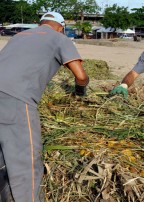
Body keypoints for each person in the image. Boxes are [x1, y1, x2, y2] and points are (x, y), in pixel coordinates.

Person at [0, 11, 89, 201]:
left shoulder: (18, 37)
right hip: (16, 100)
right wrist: (80, 92)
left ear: (40, 23)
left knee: (3, 159)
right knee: (27, 163)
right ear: (61, 27)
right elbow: (80, 76)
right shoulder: (59, 38)